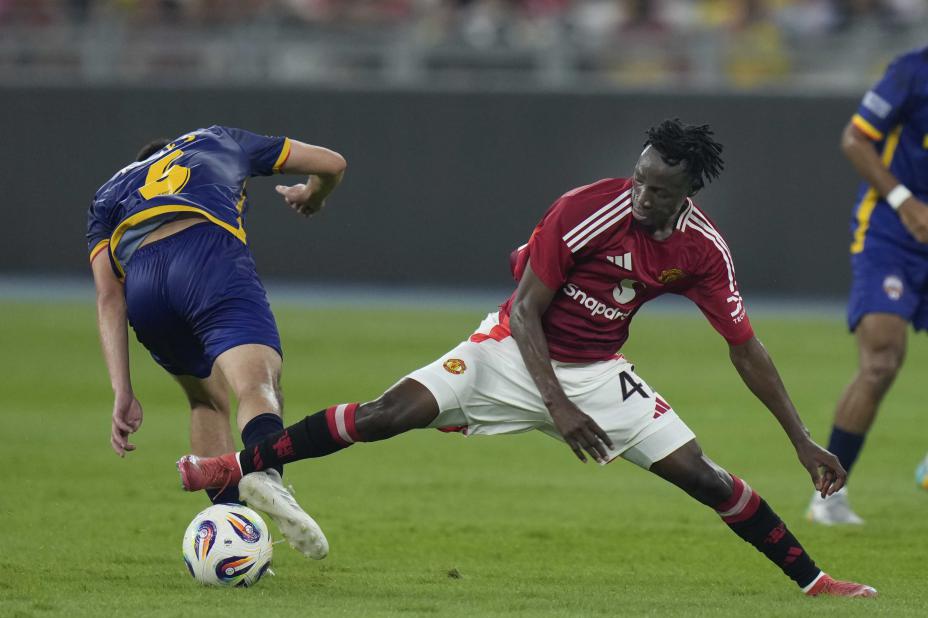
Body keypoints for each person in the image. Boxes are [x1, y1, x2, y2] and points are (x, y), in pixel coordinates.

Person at [178, 119, 875, 597]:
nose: (641, 195)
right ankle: (232, 467)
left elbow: (745, 349)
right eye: (638, 178)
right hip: (511, 351)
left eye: (658, 189)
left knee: (706, 478)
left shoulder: (702, 250)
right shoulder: (587, 210)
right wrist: (558, 407)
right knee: (390, 413)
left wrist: (801, 440)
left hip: (598, 374)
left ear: (687, 193)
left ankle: (815, 582)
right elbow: (526, 312)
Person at [88, 125, 346, 559]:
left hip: (144, 285)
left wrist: (122, 390)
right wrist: (312, 196)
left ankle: (230, 534)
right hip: (206, 255)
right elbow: (333, 163)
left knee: (205, 401)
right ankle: (266, 475)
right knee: (257, 384)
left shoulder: (108, 192)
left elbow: (108, 297)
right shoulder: (217, 140)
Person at [806, 46, 928, 525]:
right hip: (891, 232)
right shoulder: (912, 71)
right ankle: (828, 496)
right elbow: (855, 139)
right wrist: (904, 202)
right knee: (881, 361)